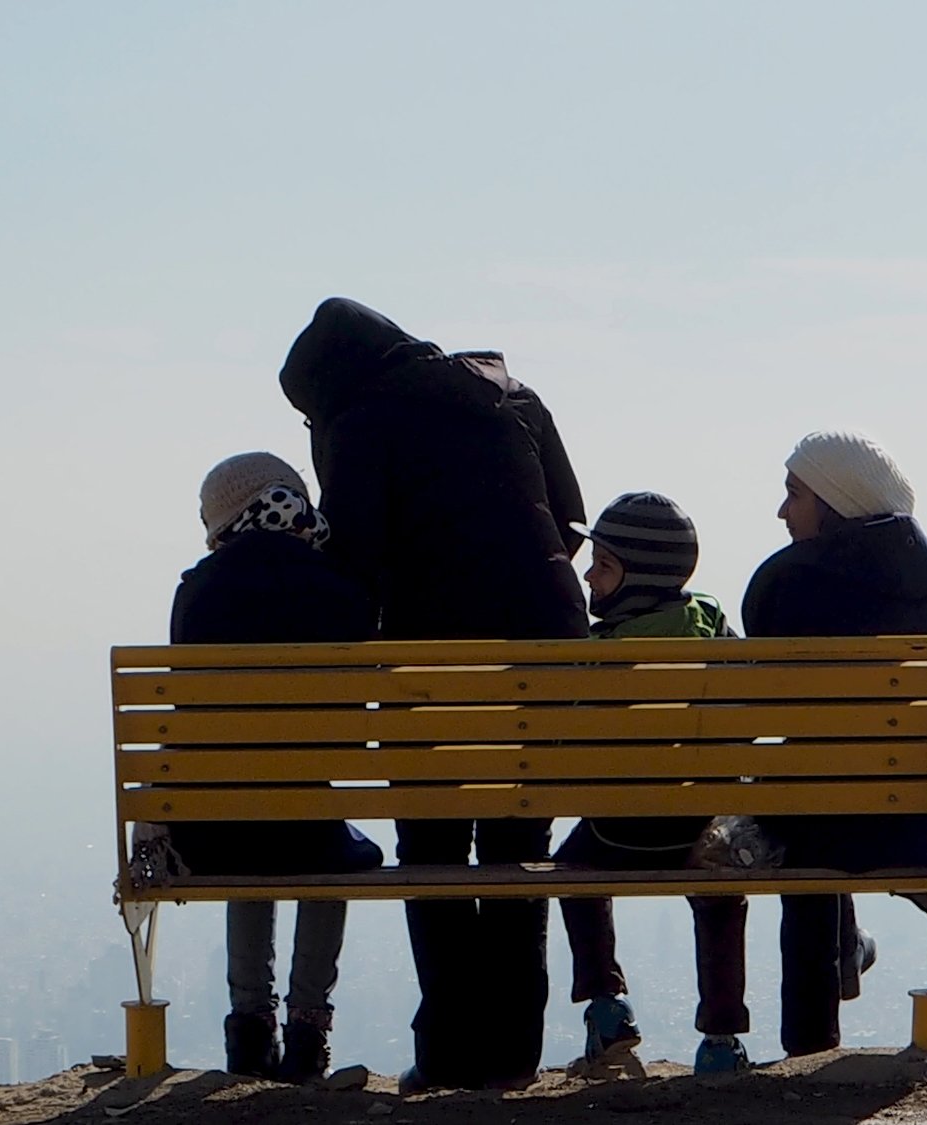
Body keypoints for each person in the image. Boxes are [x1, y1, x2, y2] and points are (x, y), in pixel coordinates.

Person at [279, 298, 588, 1092]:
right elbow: (572, 516)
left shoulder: (360, 421)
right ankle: (514, 1053)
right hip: (548, 652)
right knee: (518, 847)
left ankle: (450, 1050)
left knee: (435, 847)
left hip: (432, 662)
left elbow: (355, 559)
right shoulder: (507, 391)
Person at [740, 430, 927, 1058]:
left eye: (794, 494)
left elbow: (766, 704)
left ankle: (809, 1047)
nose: (782, 511)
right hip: (921, 822)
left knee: (815, 792)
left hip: (820, 825)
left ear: (834, 500)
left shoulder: (783, 582)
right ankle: (845, 955)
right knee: (834, 782)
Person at [167, 451, 385, 1081]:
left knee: (249, 836)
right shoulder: (342, 586)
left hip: (218, 830)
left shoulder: (197, 590)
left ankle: (248, 1028)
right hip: (309, 825)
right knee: (324, 841)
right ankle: (309, 1030)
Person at [548, 492, 756, 1076]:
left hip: (617, 834)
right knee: (720, 895)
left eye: (604, 565)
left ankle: (608, 1008)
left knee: (572, 873)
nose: (589, 574)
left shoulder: (599, 653)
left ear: (638, 578)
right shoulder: (711, 625)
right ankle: (720, 1041)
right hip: (701, 831)